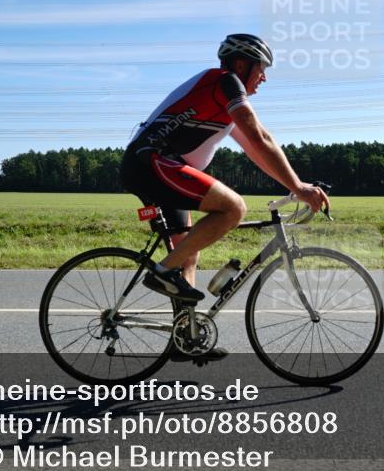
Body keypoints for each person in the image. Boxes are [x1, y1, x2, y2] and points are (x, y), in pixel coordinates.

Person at [122, 34, 329, 306]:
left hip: (155, 167)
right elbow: (260, 139)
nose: (264, 78)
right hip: (153, 164)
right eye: (262, 68)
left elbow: (256, 150)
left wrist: (295, 184)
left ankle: (187, 342)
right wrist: (299, 188)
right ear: (242, 65)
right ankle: (161, 273)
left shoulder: (223, 101)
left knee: (187, 254)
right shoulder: (225, 81)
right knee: (234, 208)